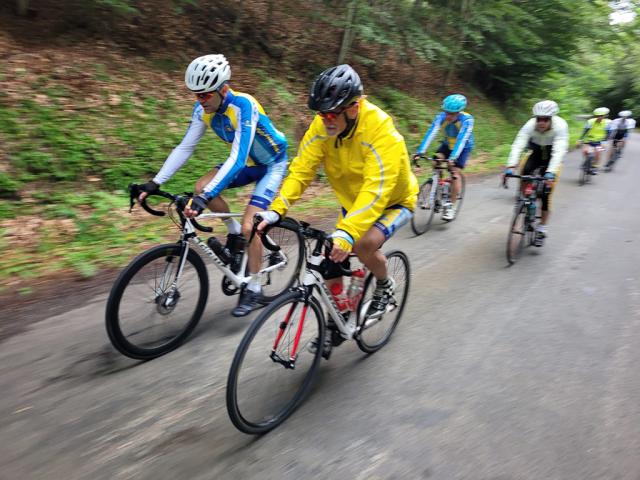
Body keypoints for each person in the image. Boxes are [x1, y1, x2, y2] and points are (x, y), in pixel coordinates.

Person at [257, 64, 418, 320]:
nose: (325, 120)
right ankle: (339, 315)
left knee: (363, 245)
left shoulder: (381, 131)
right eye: (322, 114)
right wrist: (277, 210)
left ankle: (384, 284)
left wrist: (348, 233)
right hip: (354, 203)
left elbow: (376, 190)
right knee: (328, 254)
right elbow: (302, 170)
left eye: (332, 114)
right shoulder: (322, 126)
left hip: (394, 202)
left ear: (353, 108)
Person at [137, 54, 288, 317]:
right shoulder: (202, 111)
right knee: (200, 186)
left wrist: (207, 197)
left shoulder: (243, 106)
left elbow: (237, 158)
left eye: (205, 95)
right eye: (195, 95)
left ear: (223, 88)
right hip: (249, 163)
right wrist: (155, 181)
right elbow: (185, 147)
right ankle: (234, 237)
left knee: (250, 225)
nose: (199, 100)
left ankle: (254, 286)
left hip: (271, 164)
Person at [504, 100, 569, 247]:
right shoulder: (530, 124)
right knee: (524, 173)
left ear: (551, 119)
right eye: (539, 119)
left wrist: (550, 173)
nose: (541, 122)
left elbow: (558, 152)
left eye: (545, 119)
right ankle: (523, 199)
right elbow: (518, 143)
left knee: (546, 194)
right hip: (536, 153)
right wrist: (511, 165)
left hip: (552, 158)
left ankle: (542, 228)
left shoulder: (560, 126)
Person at [413, 94, 474, 221]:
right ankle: (438, 187)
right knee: (436, 161)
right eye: (446, 112)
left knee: (454, 172)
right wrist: (420, 151)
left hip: (463, 147)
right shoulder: (441, 117)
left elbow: (462, 140)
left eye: (452, 114)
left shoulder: (467, 120)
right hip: (447, 144)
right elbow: (431, 132)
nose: (448, 116)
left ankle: (450, 206)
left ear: (459, 112)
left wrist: (453, 158)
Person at [578, 107, 612, 174]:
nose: (599, 117)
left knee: (598, 153)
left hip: (600, 141)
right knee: (585, 151)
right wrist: (580, 139)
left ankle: (595, 167)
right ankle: (586, 161)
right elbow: (585, 131)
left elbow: (609, 133)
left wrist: (605, 141)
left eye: (601, 116)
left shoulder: (608, 123)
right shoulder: (590, 121)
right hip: (589, 139)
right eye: (598, 116)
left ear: (605, 116)